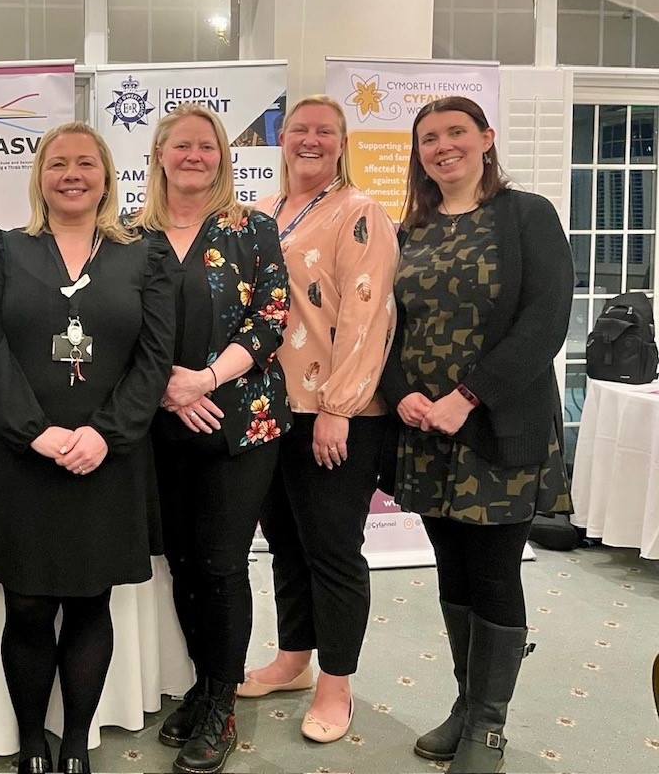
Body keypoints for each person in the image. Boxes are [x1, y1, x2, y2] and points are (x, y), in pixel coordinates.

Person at [0, 122, 174, 774]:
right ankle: (32, 744)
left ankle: (76, 744)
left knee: (91, 601)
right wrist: (38, 431)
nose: (72, 174)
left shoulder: (147, 252)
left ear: (107, 176)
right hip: (20, 455)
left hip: (108, 459)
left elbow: (155, 356)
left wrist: (103, 435)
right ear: (41, 176)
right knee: (25, 605)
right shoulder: (1, 247)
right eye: (58, 163)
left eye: (86, 163)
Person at [380, 96, 572, 774]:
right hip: (426, 434)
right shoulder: (410, 231)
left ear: (486, 138)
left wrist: (467, 397)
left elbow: (545, 321)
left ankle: (488, 724)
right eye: (429, 138)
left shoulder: (527, 216)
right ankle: (467, 702)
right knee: (454, 569)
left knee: (493, 571)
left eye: (456, 132)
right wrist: (401, 391)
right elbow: (390, 327)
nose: (443, 146)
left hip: (498, 426)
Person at [132, 104, 291, 774]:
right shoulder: (128, 236)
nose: (195, 156)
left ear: (222, 157)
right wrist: (169, 385)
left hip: (241, 421)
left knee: (223, 563)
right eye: (182, 145)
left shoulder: (252, 228)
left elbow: (271, 316)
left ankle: (222, 704)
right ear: (160, 153)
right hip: (156, 424)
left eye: (207, 146)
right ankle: (202, 682)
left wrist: (203, 380)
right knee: (184, 563)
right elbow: (114, 322)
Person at [242, 95, 398, 743]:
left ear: (341, 142)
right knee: (284, 542)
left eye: (324, 131)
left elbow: (369, 318)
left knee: (332, 550)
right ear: (283, 139)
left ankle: (336, 685)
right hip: (268, 411)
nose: (310, 139)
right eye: (300, 129)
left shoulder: (360, 214)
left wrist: (340, 407)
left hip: (336, 413)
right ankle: (294, 659)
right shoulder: (262, 213)